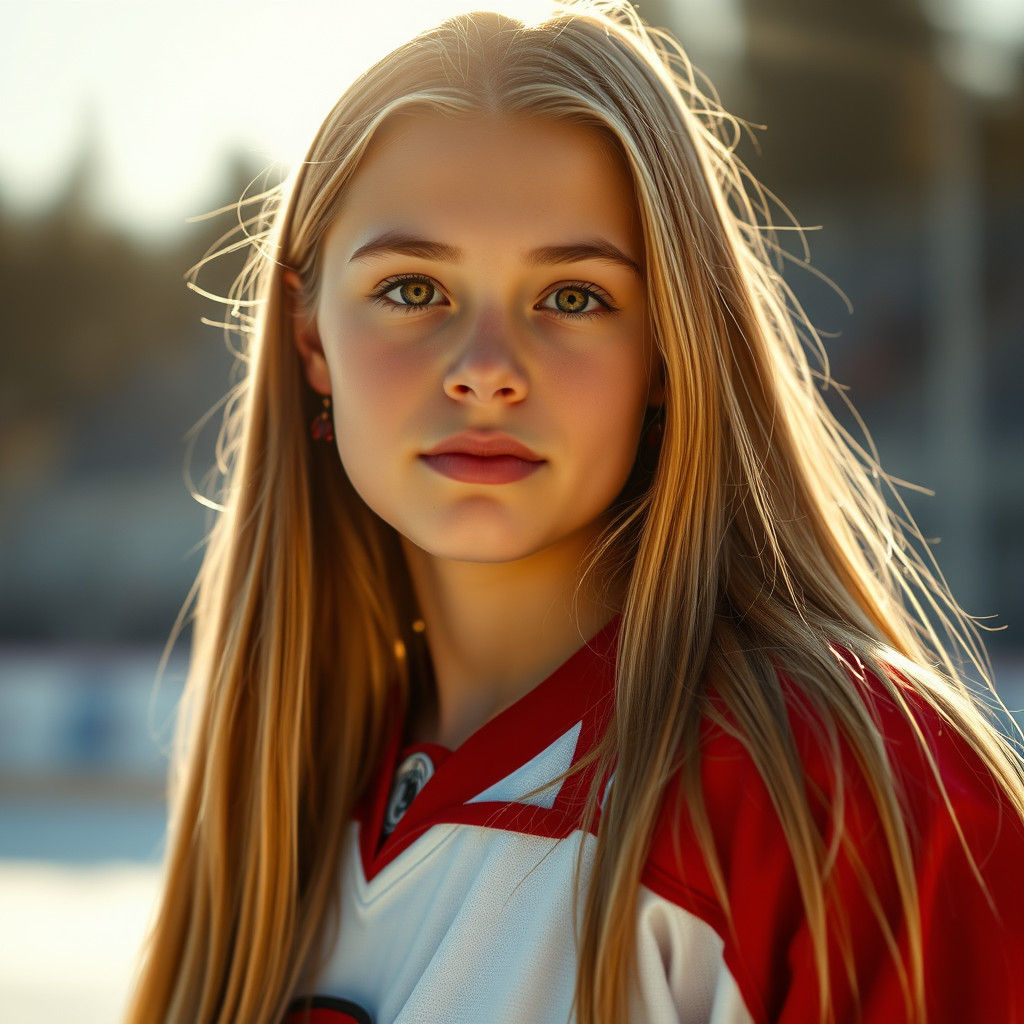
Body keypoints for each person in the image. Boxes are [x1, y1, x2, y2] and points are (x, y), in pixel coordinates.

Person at [123, 2, 1024, 1022]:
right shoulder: (282, 805)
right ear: (311, 336)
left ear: (667, 350)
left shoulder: (846, 792)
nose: (486, 372)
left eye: (574, 297)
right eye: (413, 289)